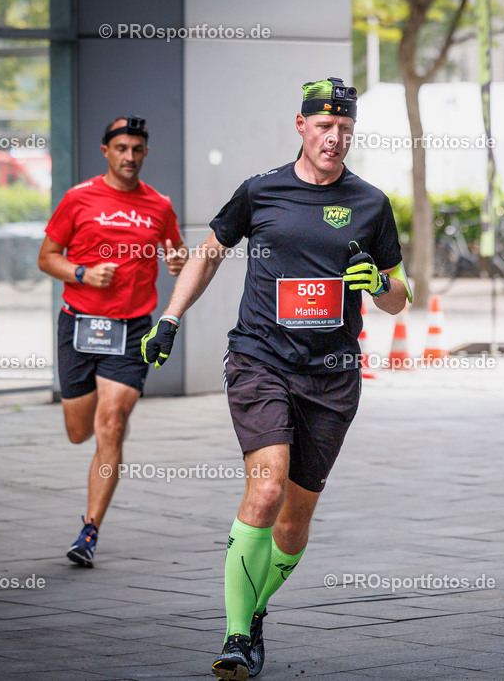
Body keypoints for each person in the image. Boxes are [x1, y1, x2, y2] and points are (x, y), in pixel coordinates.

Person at [140, 77, 411, 680]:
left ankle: (255, 610)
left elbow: (400, 295)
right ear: (301, 126)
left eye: (344, 128)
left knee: (294, 517)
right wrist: (169, 317)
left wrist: (380, 284)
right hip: (261, 360)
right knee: (265, 491)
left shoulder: (370, 203)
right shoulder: (261, 192)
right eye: (323, 126)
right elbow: (210, 252)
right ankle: (237, 637)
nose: (333, 137)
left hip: (334, 375)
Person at [37, 116, 186, 568]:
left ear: (144, 153)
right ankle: (90, 516)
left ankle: (89, 531)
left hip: (132, 329)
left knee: (113, 422)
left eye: (137, 149)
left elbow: (174, 250)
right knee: (79, 431)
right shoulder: (78, 199)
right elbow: (46, 258)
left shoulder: (158, 206)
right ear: (106, 150)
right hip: (79, 325)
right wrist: (83, 273)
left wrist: (177, 260)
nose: (130, 157)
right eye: (121, 148)